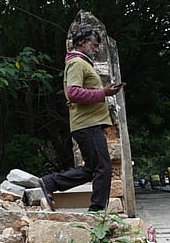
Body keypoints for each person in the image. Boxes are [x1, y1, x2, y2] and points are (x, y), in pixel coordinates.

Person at [37, 26, 123, 212]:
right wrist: (104, 92)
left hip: (88, 124)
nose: (96, 49)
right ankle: (97, 212)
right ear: (83, 43)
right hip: (87, 124)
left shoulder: (82, 63)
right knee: (103, 168)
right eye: (94, 44)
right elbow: (73, 93)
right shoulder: (77, 63)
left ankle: (50, 182)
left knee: (92, 169)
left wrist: (103, 92)